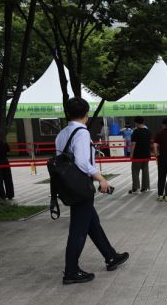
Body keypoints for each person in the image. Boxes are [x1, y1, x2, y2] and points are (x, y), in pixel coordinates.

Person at [55, 97, 128, 285]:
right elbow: (81, 161)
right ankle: (71, 271)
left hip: (68, 184)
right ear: (86, 114)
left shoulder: (62, 133)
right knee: (78, 229)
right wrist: (101, 178)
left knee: (91, 222)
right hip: (81, 186)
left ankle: (111, 256)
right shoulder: (81, 133)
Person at [128, 117, 151, 194]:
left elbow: (133, 144)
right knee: (145, 171)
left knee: (135, 171)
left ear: (136, 123)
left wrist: (131, 154)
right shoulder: (148, 132)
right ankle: (145, 187)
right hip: (146, 154)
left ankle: (136, 188)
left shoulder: (135, 132)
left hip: (137, 155)